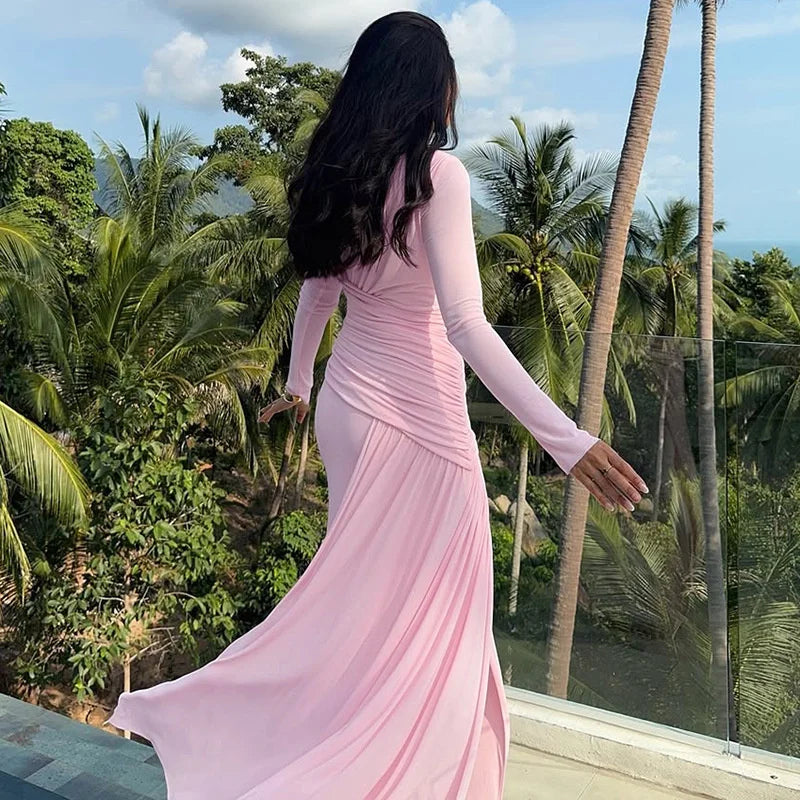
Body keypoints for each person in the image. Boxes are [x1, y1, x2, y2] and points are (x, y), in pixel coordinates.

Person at [105, 10, 648, 799]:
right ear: (434, 88)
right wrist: (566, 440)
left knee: (357, 597)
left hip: (348, 410)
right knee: (442, 613)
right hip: (422, 424)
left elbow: (317, 297)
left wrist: (299, 384)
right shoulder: (438, 177)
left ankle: (328, 732)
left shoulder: (342, 176)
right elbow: (465, 323)